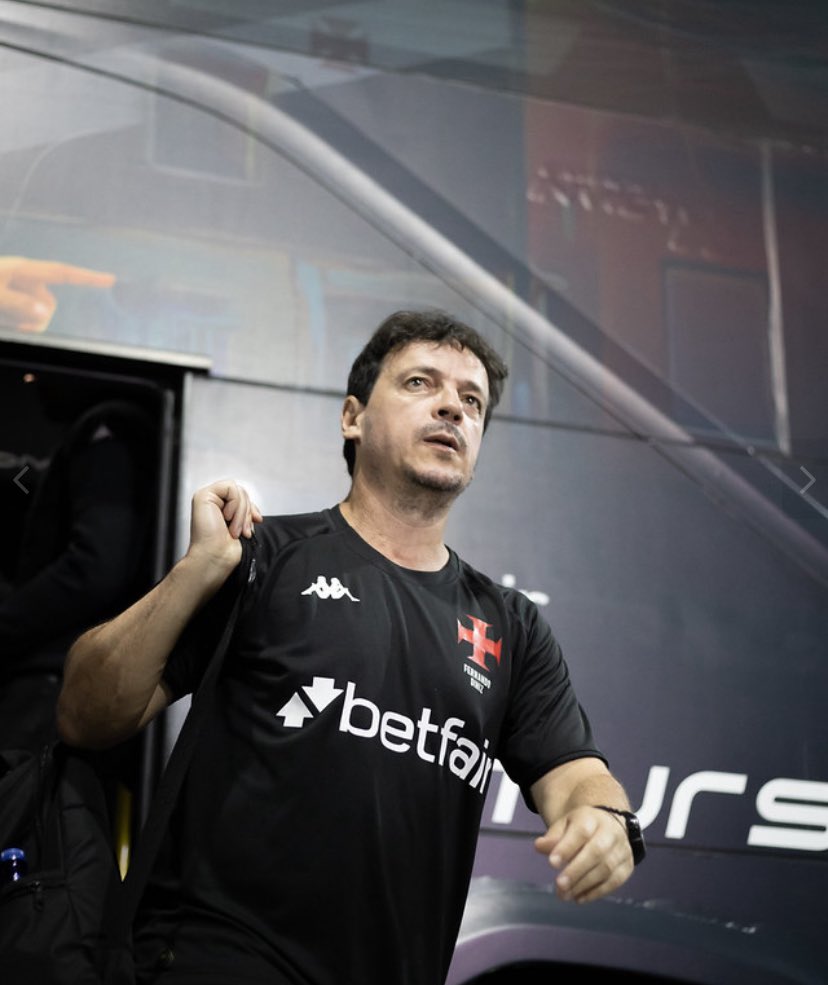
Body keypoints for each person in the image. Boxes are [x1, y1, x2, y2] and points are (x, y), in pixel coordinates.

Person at [57, 309, 642, 985]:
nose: (452, 407)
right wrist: (196, 572)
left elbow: (574, 774)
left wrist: (605, 818)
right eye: (421, 382)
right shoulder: (264, 556)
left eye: (472, 400)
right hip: (215, 960)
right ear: (352, 417)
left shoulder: (510, 625)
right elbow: (85, 715)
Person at [0, 373, 154, 753]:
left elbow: (95, 568)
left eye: (45, 377)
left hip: (56, 671)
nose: (39, 384)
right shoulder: (106, 434)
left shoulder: (106, 427)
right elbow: (30, 479)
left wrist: (7, 622)